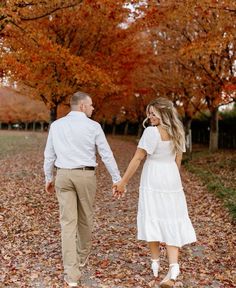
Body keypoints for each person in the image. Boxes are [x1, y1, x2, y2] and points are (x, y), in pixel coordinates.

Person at [113, 97, 196, 288]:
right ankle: (173, 266)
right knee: (171, 217)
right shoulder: (178, 131)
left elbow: (137, 158)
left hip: (153, 176)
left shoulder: (151, 132)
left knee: (153, 216)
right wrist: (174, 180)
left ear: (163, 113)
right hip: (171, 177)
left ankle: (155, 263)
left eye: (153, 113)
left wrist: (123, 182)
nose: (149, 117)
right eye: (148, 113)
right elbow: (178, 160)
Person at [43, 91, 121, 287]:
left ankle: (71, 275)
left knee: (67, 224)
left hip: (63, 175)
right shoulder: (93, 126)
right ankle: (80, 260)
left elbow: (49, 154)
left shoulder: (56, 125)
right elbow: (106, 154)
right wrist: (116, 179)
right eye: (91, 105)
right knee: (85, 219)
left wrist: (48, 177)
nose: (93, 108)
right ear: (82, 106)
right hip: (85, 175)